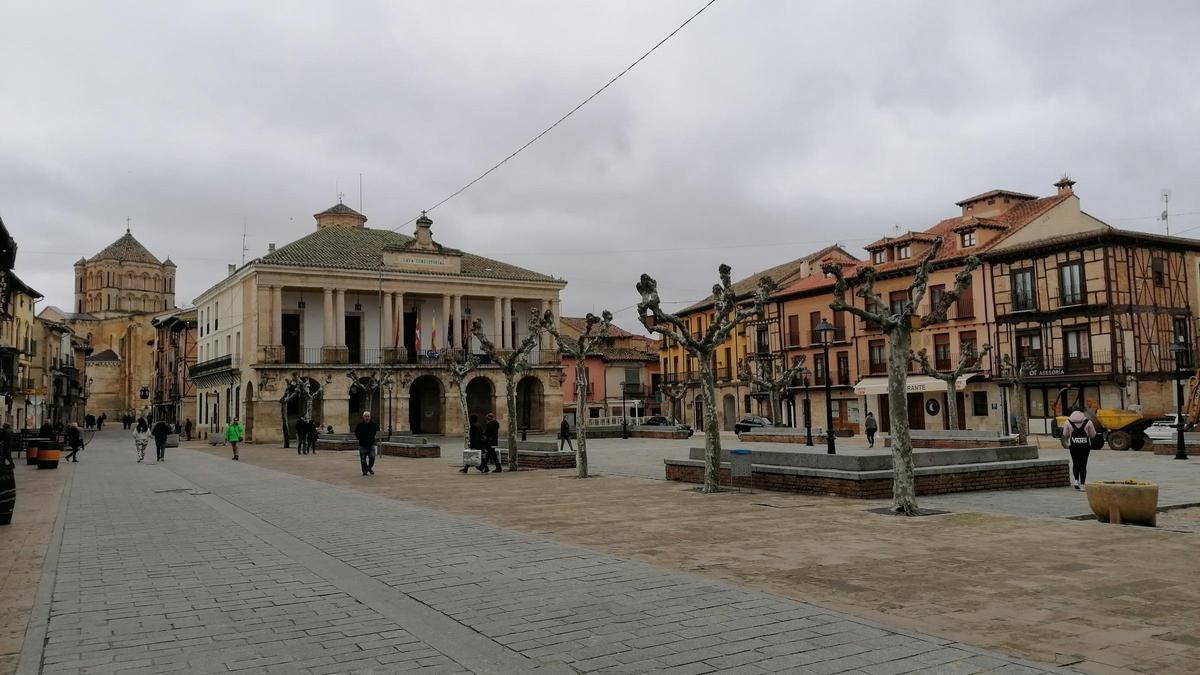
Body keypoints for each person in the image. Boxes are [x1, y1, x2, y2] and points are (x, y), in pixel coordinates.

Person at [1062, 409, 1096, 490]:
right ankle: (1083, 485)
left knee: (1075, 463)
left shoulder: (1068, 422)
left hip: (1073, 446)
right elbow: (1093, 435)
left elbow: (1065, 434)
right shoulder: (1088, 422)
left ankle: (1076, 481)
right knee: (1083, 465)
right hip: (1085, 447)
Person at [354, 412, 378, 476]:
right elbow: (356, 432)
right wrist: (359, 438)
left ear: (370, 417)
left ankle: (369, 468)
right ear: (363, 417)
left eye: (368, 416)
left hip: (371, 445)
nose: (367, 418)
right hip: (362, 445)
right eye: (365, 416)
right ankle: (365, 471)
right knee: (363, 460)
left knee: (372, 458)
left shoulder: (373, 425)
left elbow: (374, 432)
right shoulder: (359, 425)